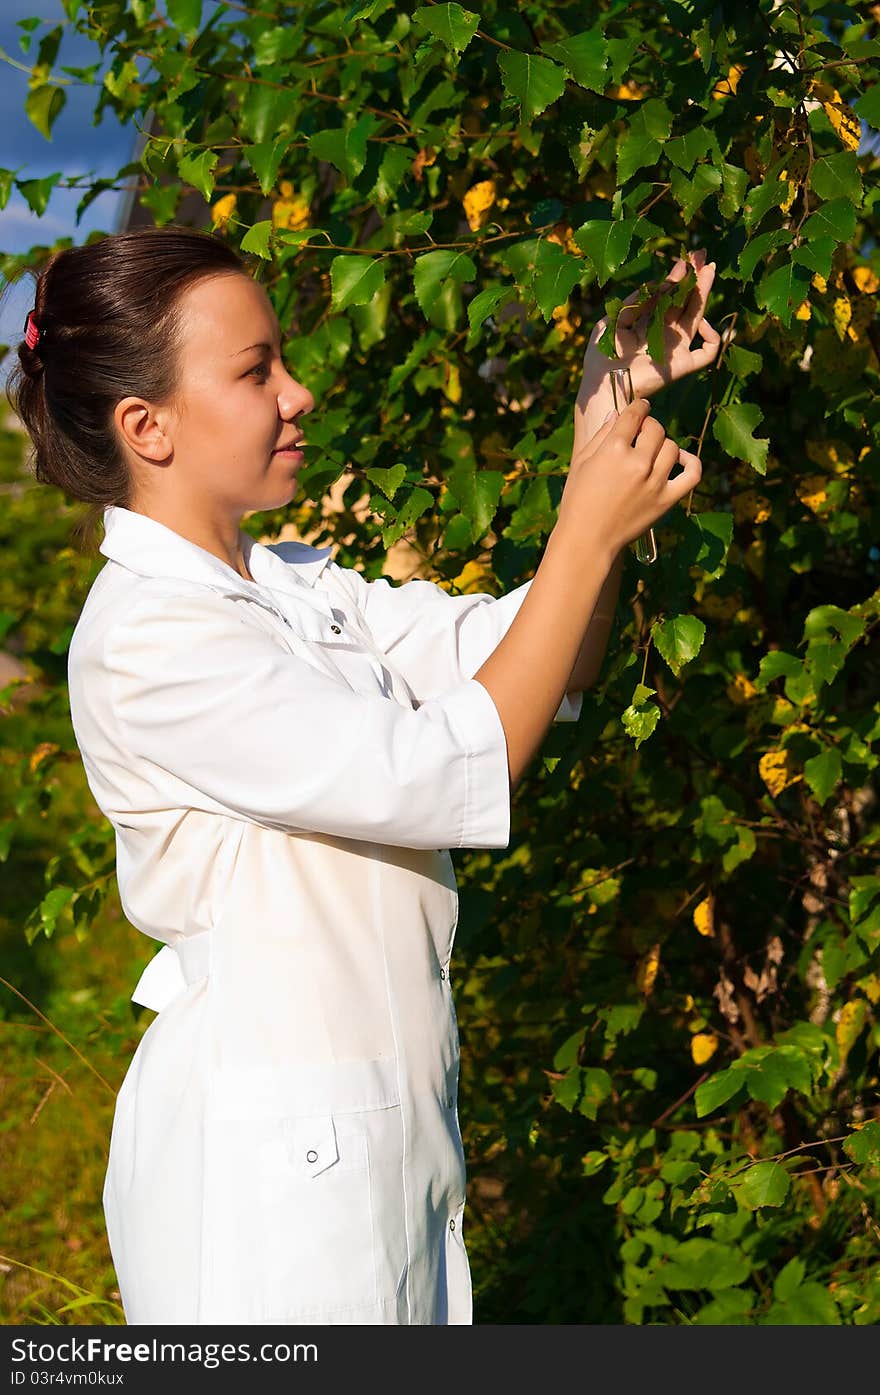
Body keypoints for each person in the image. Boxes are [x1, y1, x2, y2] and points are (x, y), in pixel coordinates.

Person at [6, 226, 718, 1325]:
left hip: (367, 1138)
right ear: (145, 426)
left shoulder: (293, 586)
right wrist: (584, 528)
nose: (298, 393)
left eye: (282, 358)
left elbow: (541, 654)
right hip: (266, 1182)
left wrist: (604, 414)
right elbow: (436, 772)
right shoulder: (148, 636)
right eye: (254, 372)